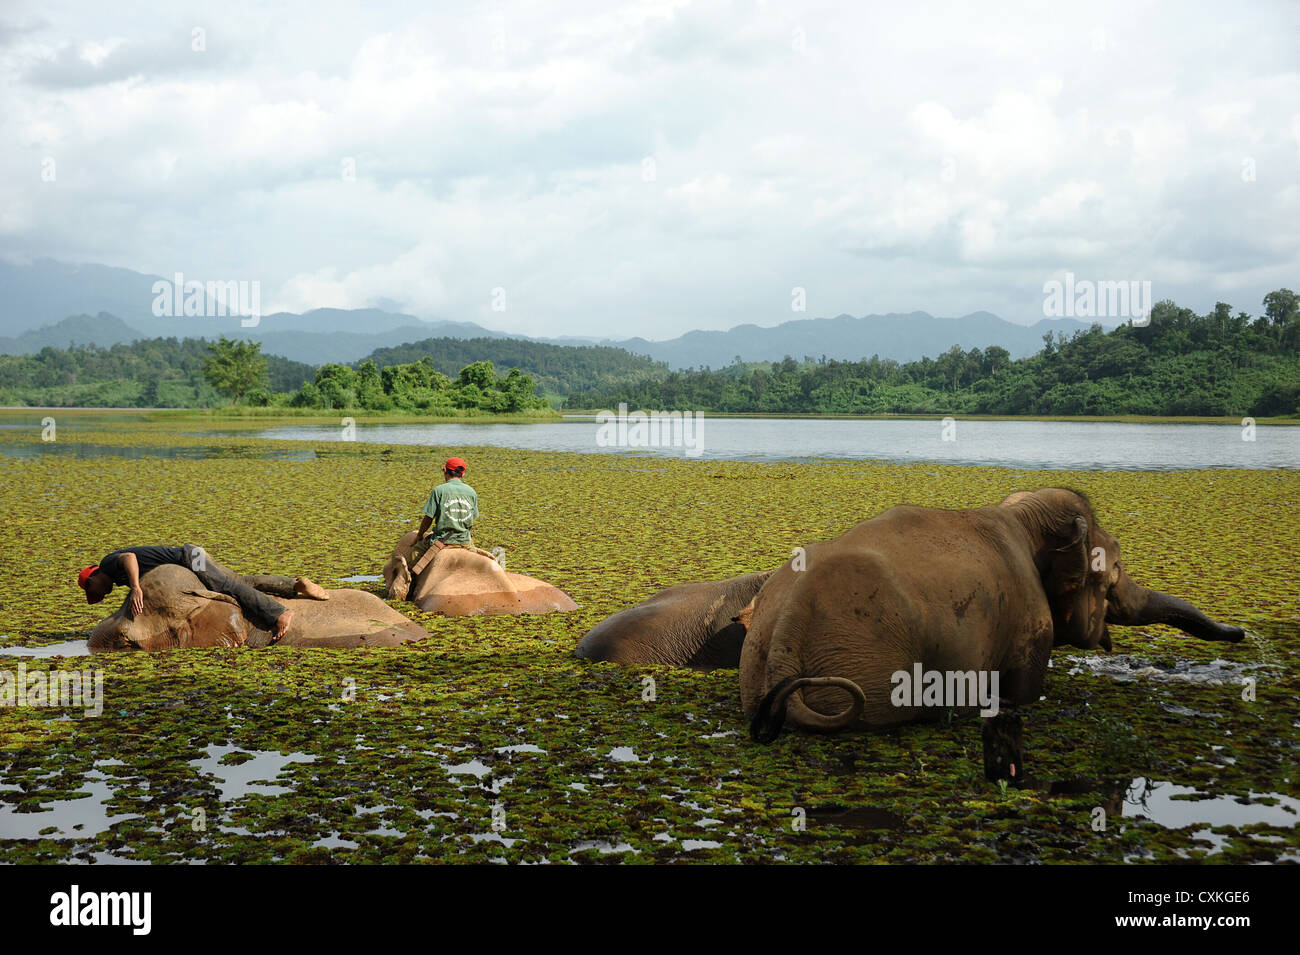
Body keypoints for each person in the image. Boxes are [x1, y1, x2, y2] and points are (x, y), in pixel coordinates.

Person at [77, 544, 328, 643]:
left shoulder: (108, 564)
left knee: (226, 587)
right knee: (241, 580)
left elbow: (129, 557)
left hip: (189, 559)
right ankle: (294, 585)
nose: (101, 596)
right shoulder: (115, 577)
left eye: (96, 593)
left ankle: (280, 612)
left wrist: (136, 587)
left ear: (93, 579)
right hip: (193, 553)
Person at [409, 456, 480, 575]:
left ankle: (410, 589)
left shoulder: (439, 491)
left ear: (445, 471)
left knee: (414, 555)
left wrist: (420, 535)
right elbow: (472, 518)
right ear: (463, 475)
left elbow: (428, 518)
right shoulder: (472, 492)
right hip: (465, 541)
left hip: (441, 540)